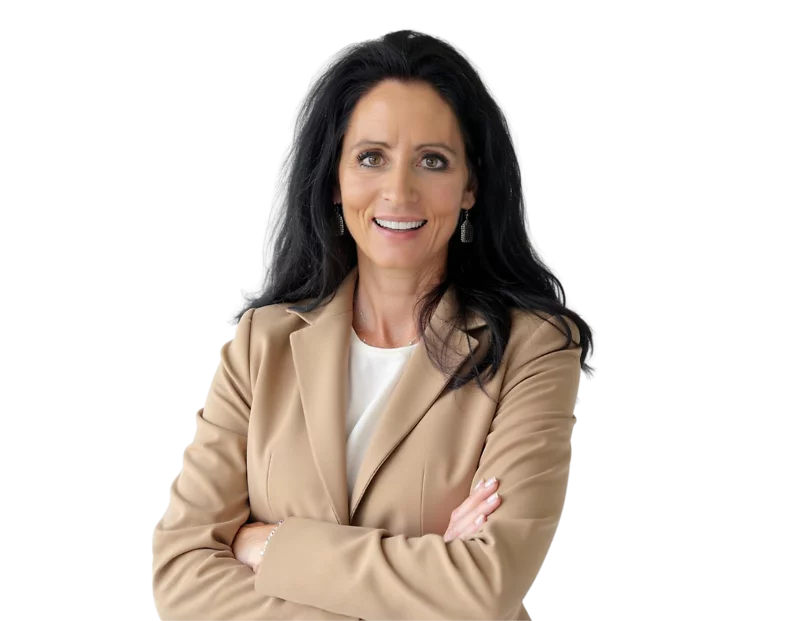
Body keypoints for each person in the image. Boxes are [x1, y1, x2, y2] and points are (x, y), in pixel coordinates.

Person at [152, 28, 595, 621]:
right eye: (371, 157)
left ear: (470, 186)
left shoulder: (532, 350)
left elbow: (487, 586)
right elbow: (179, 573)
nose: (398, 191)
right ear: (335, 180)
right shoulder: (262, 343)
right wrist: (427, 577)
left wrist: (269, 544)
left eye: (432, 161)